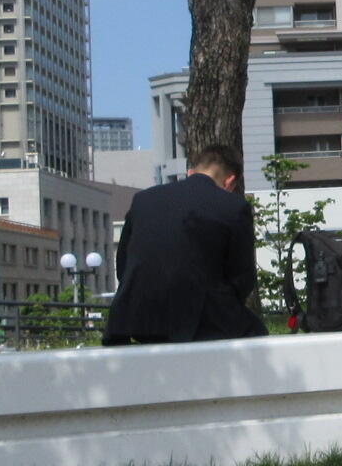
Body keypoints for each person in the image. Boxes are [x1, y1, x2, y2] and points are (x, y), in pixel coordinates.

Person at [101, 144, 266, 345]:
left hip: (133, 317)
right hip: (196, 318)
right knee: (257, 334)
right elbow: (242, 276)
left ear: (190, 172)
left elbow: (123, 265)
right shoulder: (234, 207)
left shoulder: (143, 199)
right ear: (229, 181)